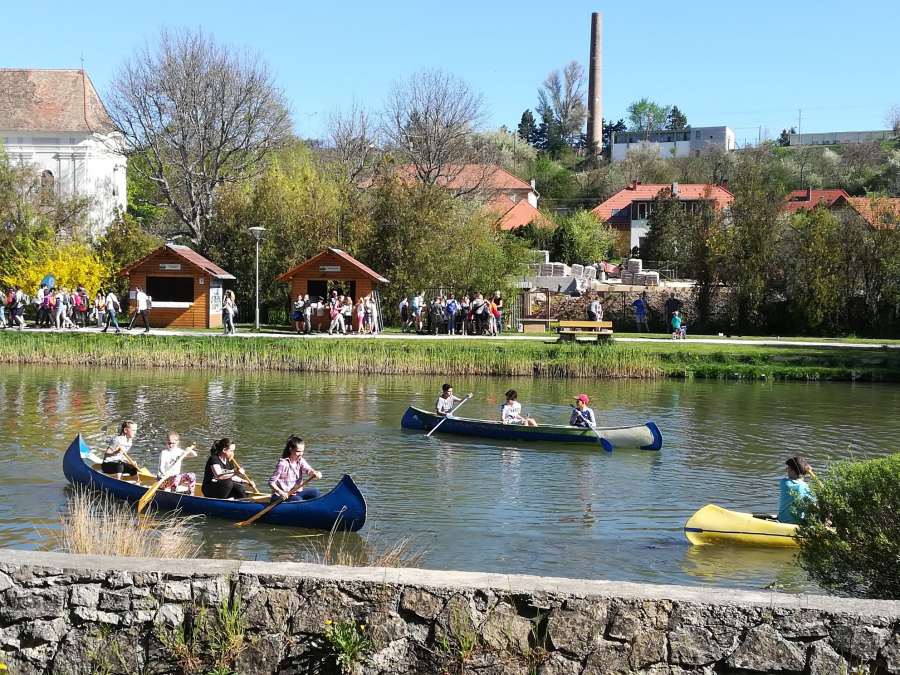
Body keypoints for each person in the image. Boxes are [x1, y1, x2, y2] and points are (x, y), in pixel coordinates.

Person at [268, 435, 323, 502]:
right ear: (291, 450)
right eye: (298, 451)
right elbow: (271, 482)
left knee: (315, 493)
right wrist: (281, 492)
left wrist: (315, 473)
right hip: (280, 497)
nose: (301, 454)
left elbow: (309, 470)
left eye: (302, 451)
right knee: (297, 499)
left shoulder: (300, 461)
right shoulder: (283, 464)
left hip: (295, 494)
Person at [778, 457, 814, 524]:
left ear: (793, 472)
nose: (787, 471)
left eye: (788, 469)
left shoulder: (784, 483)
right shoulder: (806, 487)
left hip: (782, 520)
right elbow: (814, 503)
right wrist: (807, 472)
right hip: (798, 523)